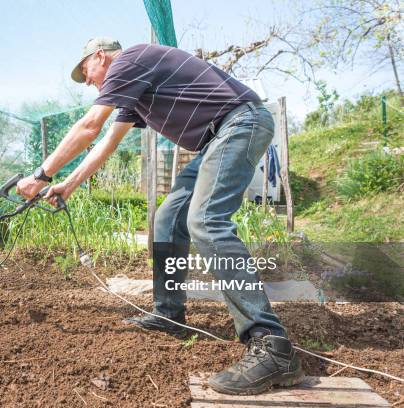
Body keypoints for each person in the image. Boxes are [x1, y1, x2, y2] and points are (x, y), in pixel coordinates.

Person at [17, 37, 304, 395]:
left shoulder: (130, 60)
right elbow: (106, 142)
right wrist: (69, 184)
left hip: (241, 123)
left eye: (86, 72)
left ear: (100, 57)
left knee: (206, 221)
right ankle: (170, 314)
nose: (88, 81)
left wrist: (42, 174)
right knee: (168, 219)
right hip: (217, 138)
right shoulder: (133, 89)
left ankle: (271, 344)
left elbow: (90, 126)